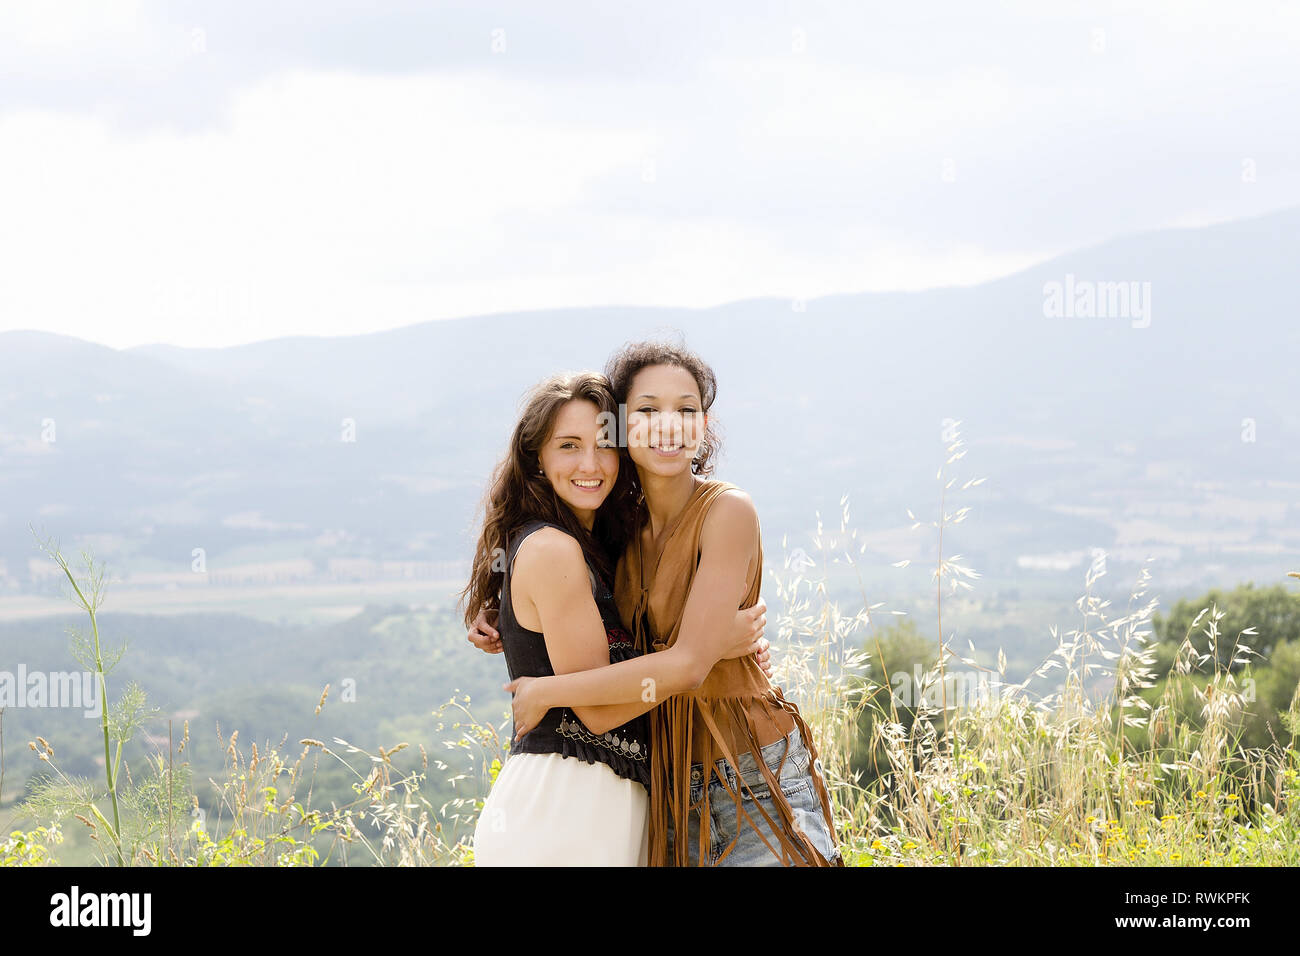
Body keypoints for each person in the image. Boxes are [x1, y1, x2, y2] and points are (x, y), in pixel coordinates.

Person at [488, 341, 843, 866]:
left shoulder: (727, 511)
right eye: (648, 409)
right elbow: (567, 597)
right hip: (668, 791)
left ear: (704, 426)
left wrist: (548, 690)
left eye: (687, 410)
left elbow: (690, 665)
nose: (668, 424)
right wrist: (496, 615)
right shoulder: (619, 536)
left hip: (750, 776)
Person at [460, 370, 771, 865]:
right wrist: (705, 650)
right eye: (567, 446)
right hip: (564, 812)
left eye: (604, 444)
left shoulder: (600, 547)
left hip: (598, 812)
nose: (590, 463)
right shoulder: (555, 550)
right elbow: (600, 710)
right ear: (536, 459)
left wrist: (705, 642)